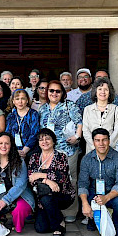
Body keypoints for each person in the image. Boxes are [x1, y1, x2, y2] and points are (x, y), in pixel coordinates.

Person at [38, 80, 83, 222]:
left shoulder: (70, 105)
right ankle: (53, 209)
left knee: (70, 180)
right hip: (49, 151)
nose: (54, 93)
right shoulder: (43, 108)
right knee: (50, 180)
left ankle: (70, 211)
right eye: (51, 90)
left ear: (63, 93)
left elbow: (79, 122)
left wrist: (77, 136)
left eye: (58, 91)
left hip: (67, 149)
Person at [0, 133, 34, 233]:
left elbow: (21, 185)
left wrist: (5, 200)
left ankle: (17, 226)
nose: (3, 146)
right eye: (0, 143)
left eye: (6, 143)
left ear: (11, 145)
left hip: (17, 196)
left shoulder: (19, 162)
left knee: (21, 208)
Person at [79, 128, 118, 236]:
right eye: (97, 140)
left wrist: (107, 197)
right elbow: (83, 184)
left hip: (113, 192)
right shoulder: (87, 159)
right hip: (94, 192)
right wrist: (85, 204)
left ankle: (117, 225)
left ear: (109, 141)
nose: (101, 143)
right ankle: (92, 221)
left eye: (104, 140)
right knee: (86, 198)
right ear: (93, 142)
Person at [28, 129, 74, 236]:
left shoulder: (61, 156)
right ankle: (57, 215)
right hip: (42, 197)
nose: (44, 141)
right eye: (41, 140)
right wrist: (47, 180)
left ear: (53, 141)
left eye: (47, 138)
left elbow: (61, 177)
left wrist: (39, 175)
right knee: (41, 228)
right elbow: (31, 179)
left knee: (46, 195)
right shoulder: (34, 157)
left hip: (62, 194)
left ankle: (58, 224)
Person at [82, 77, 118, 150]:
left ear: (110, 92)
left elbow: (117, 130)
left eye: (106, 90)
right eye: (100, 89)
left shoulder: (116, 109)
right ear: (95, 91)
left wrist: (107, 146)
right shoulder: (87, 109)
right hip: (91, 150)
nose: (103, 92)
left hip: (110, 149)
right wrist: (94, 146)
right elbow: (85, 130)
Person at [5, 89, 40, 161]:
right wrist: (15, 151)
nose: (20, 102)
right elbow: (7, 134)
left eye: (23, 99)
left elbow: (34, 134)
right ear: (13, 101)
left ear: (27, 100)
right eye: (17, 99)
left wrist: (24, 151)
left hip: (31, 151)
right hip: (14, 152)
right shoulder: (11, 116)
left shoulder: (33, 114)